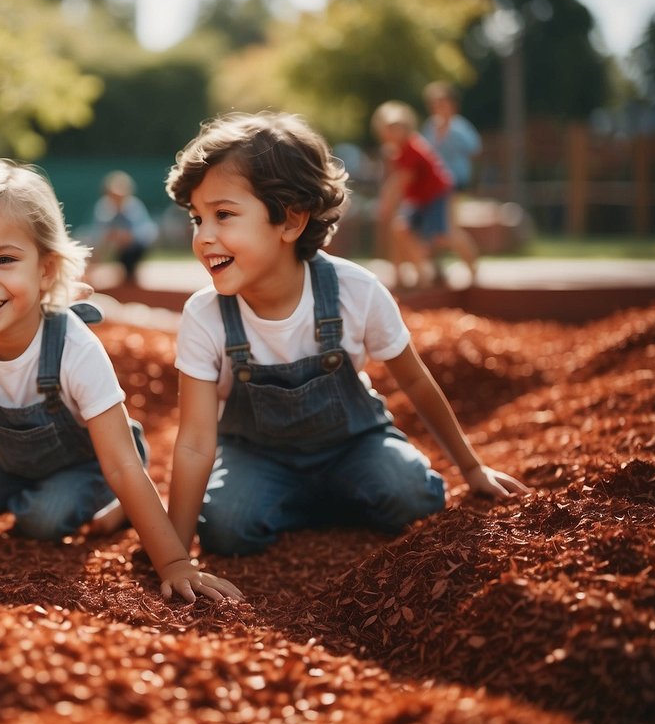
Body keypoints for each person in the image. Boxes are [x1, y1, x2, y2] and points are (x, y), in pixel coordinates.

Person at [0, 159, 242, 603]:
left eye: (5, 260)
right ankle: (49, 497)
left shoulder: (73, 348)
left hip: (94, 461)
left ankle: (113, 510)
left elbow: (120, 464)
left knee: (44, 519)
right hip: (14, 467)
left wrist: (173, 563)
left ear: (45, 269)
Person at [159, 111, 528, 557]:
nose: (204, 236)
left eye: (223, 214)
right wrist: (175, 554)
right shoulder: (205, 315)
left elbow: (414, 380)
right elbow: (197, 440)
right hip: (258, 455)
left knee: (413, 497)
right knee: (225, 528)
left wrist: (471, 468)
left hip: (352, 446)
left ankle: (324, 495)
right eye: (198, 218)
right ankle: (318, 501)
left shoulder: (355, 290)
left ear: (291, 222)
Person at [372, 100, 481, 289]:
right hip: (418, 198)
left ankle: (473, 269)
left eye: (397, 128)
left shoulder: (413, 148)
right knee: (400, 229)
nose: (392, 133)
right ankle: (417, 274)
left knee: (446, 234)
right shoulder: (397, 151)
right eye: (389, 128)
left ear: (406, 127)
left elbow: (401, 182)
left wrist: (386, 202)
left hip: (435, 194)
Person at [90, 170, 159, 284]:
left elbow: (144, 233)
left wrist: (125, 236)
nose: (117, 199)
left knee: (129, 260)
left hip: (133, 247)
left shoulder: (133, 207)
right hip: (112, 245)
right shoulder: (103, 208)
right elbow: (99, 232)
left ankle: (130, 279)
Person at [421, 81, 482, 192]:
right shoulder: (429, 126)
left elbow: (475, 150)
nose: (438, 106)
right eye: (434, 103)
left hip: (457, 181)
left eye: (442, 102)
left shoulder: (460, 126)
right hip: (434, 180)